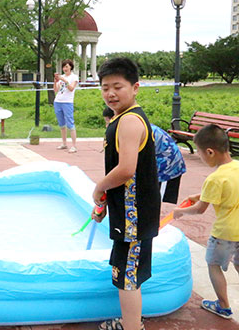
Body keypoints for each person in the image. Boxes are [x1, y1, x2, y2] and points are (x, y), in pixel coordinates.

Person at [92, 57, 160, 330]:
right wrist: (107, 203)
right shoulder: (121, 119)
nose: (110, 93)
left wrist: (100, 187)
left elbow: (126, 169)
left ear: (135, 87)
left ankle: (132, 327)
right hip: (130, 214)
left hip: (135, 218)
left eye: (118, 87)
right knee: (126, 272)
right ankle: (130, 322)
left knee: (127, 278)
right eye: (105, 87)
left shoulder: (130, 121)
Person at [173, 124, 239, 320]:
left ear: (210, 152)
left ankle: (223, 306)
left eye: (200, 153)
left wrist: (180, 212)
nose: (201, 157)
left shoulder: (215, 178)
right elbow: (228, 192)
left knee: (213, 265)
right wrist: (201, 195)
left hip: (224, 232)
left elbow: (200, 209)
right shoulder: (236, 167)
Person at [102, 106, 186, 204]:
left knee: (157, 201)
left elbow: (126, 168)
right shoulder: (132, 125)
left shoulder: (132, 130)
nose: (107, 126)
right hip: (155, 162)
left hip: (167, 166)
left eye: (107, 122)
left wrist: (103, 188)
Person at [53, 59, 79, 153]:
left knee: (70, 123)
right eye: (64, 67)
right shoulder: (61, 77)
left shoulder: (74, 77)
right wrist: (55, 81)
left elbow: (71, 88)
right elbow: (56, 90)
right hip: (58, 101)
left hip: (67, 102)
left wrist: (64, 80)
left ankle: (74, 146)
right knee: (61, 124)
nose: (65, 68)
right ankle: (64, 143)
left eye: (67, 66)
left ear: (71, 67)